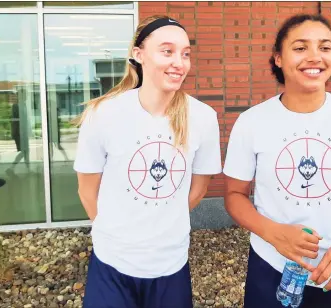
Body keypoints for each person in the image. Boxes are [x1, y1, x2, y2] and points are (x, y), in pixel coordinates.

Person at [223, 14, 331, 308]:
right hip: (271, 266)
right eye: (300, 48)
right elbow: (234, 195)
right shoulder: (251, 122)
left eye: (325, 48)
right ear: (278, 58)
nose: (314, 57)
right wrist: (273, 234)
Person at [74, 15, 222, 308]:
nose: (179, 62)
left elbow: (199, 190)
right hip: (111, 264)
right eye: (167, 51)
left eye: (185, 53)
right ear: (138, 54)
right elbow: (87, 190)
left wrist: (161, 222)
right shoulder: (103, 113)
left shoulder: (203, 118)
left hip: (171, 264)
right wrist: (116, 231)